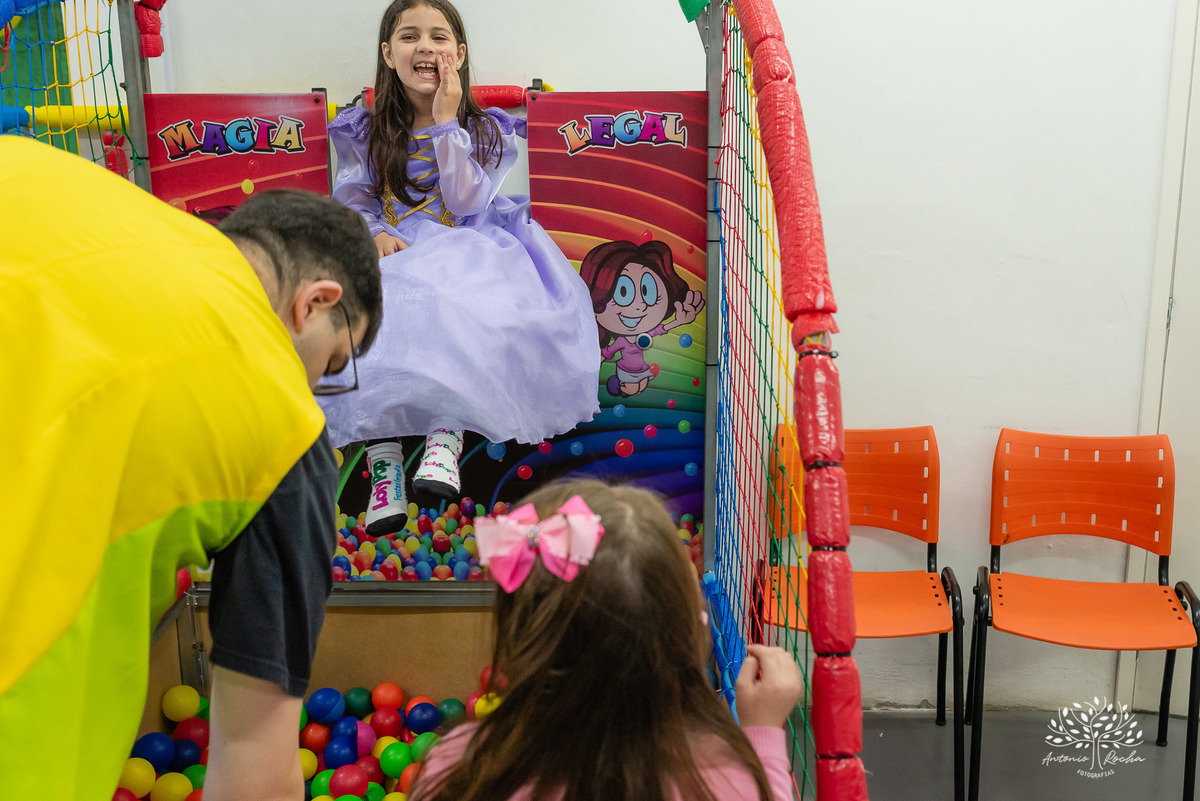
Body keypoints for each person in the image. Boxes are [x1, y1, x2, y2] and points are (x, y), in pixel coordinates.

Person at [0, 136, 384, 801]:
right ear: (316, 303)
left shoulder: (33, 168)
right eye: (334, 363)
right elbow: (253, 768)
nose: (319, 384)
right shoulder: (284, 426)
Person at [321, 0, 601, 536]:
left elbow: (469, 202)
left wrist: (448, 123)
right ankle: (385, 468)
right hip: (392, 246)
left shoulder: (485, 129)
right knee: (368, 318)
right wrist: (375, 233)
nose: (425, 47)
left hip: (467, 246)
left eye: (438, 38)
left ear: (460, 54)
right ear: (388, 54)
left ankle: (443, 441)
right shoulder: (365, 129)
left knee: (456, 306)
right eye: (409, 37)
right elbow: (353, 198)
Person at [409, 480, 801, 801]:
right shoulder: (725, 781)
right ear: (685, 633)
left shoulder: (459, 768)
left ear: (522, 634)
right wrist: (763, 732)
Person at [579, 239, 705, 398]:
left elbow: (662, 329)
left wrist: (680, 321)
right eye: (623, 293)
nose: (639, 306)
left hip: (642, 369)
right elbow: (607, 352)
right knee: (632, 388)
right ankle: (620, 386)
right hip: (626, 371)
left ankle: (622, 387)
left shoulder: (643, 336)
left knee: (641, 386)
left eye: (648, 291)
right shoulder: (622, 342)